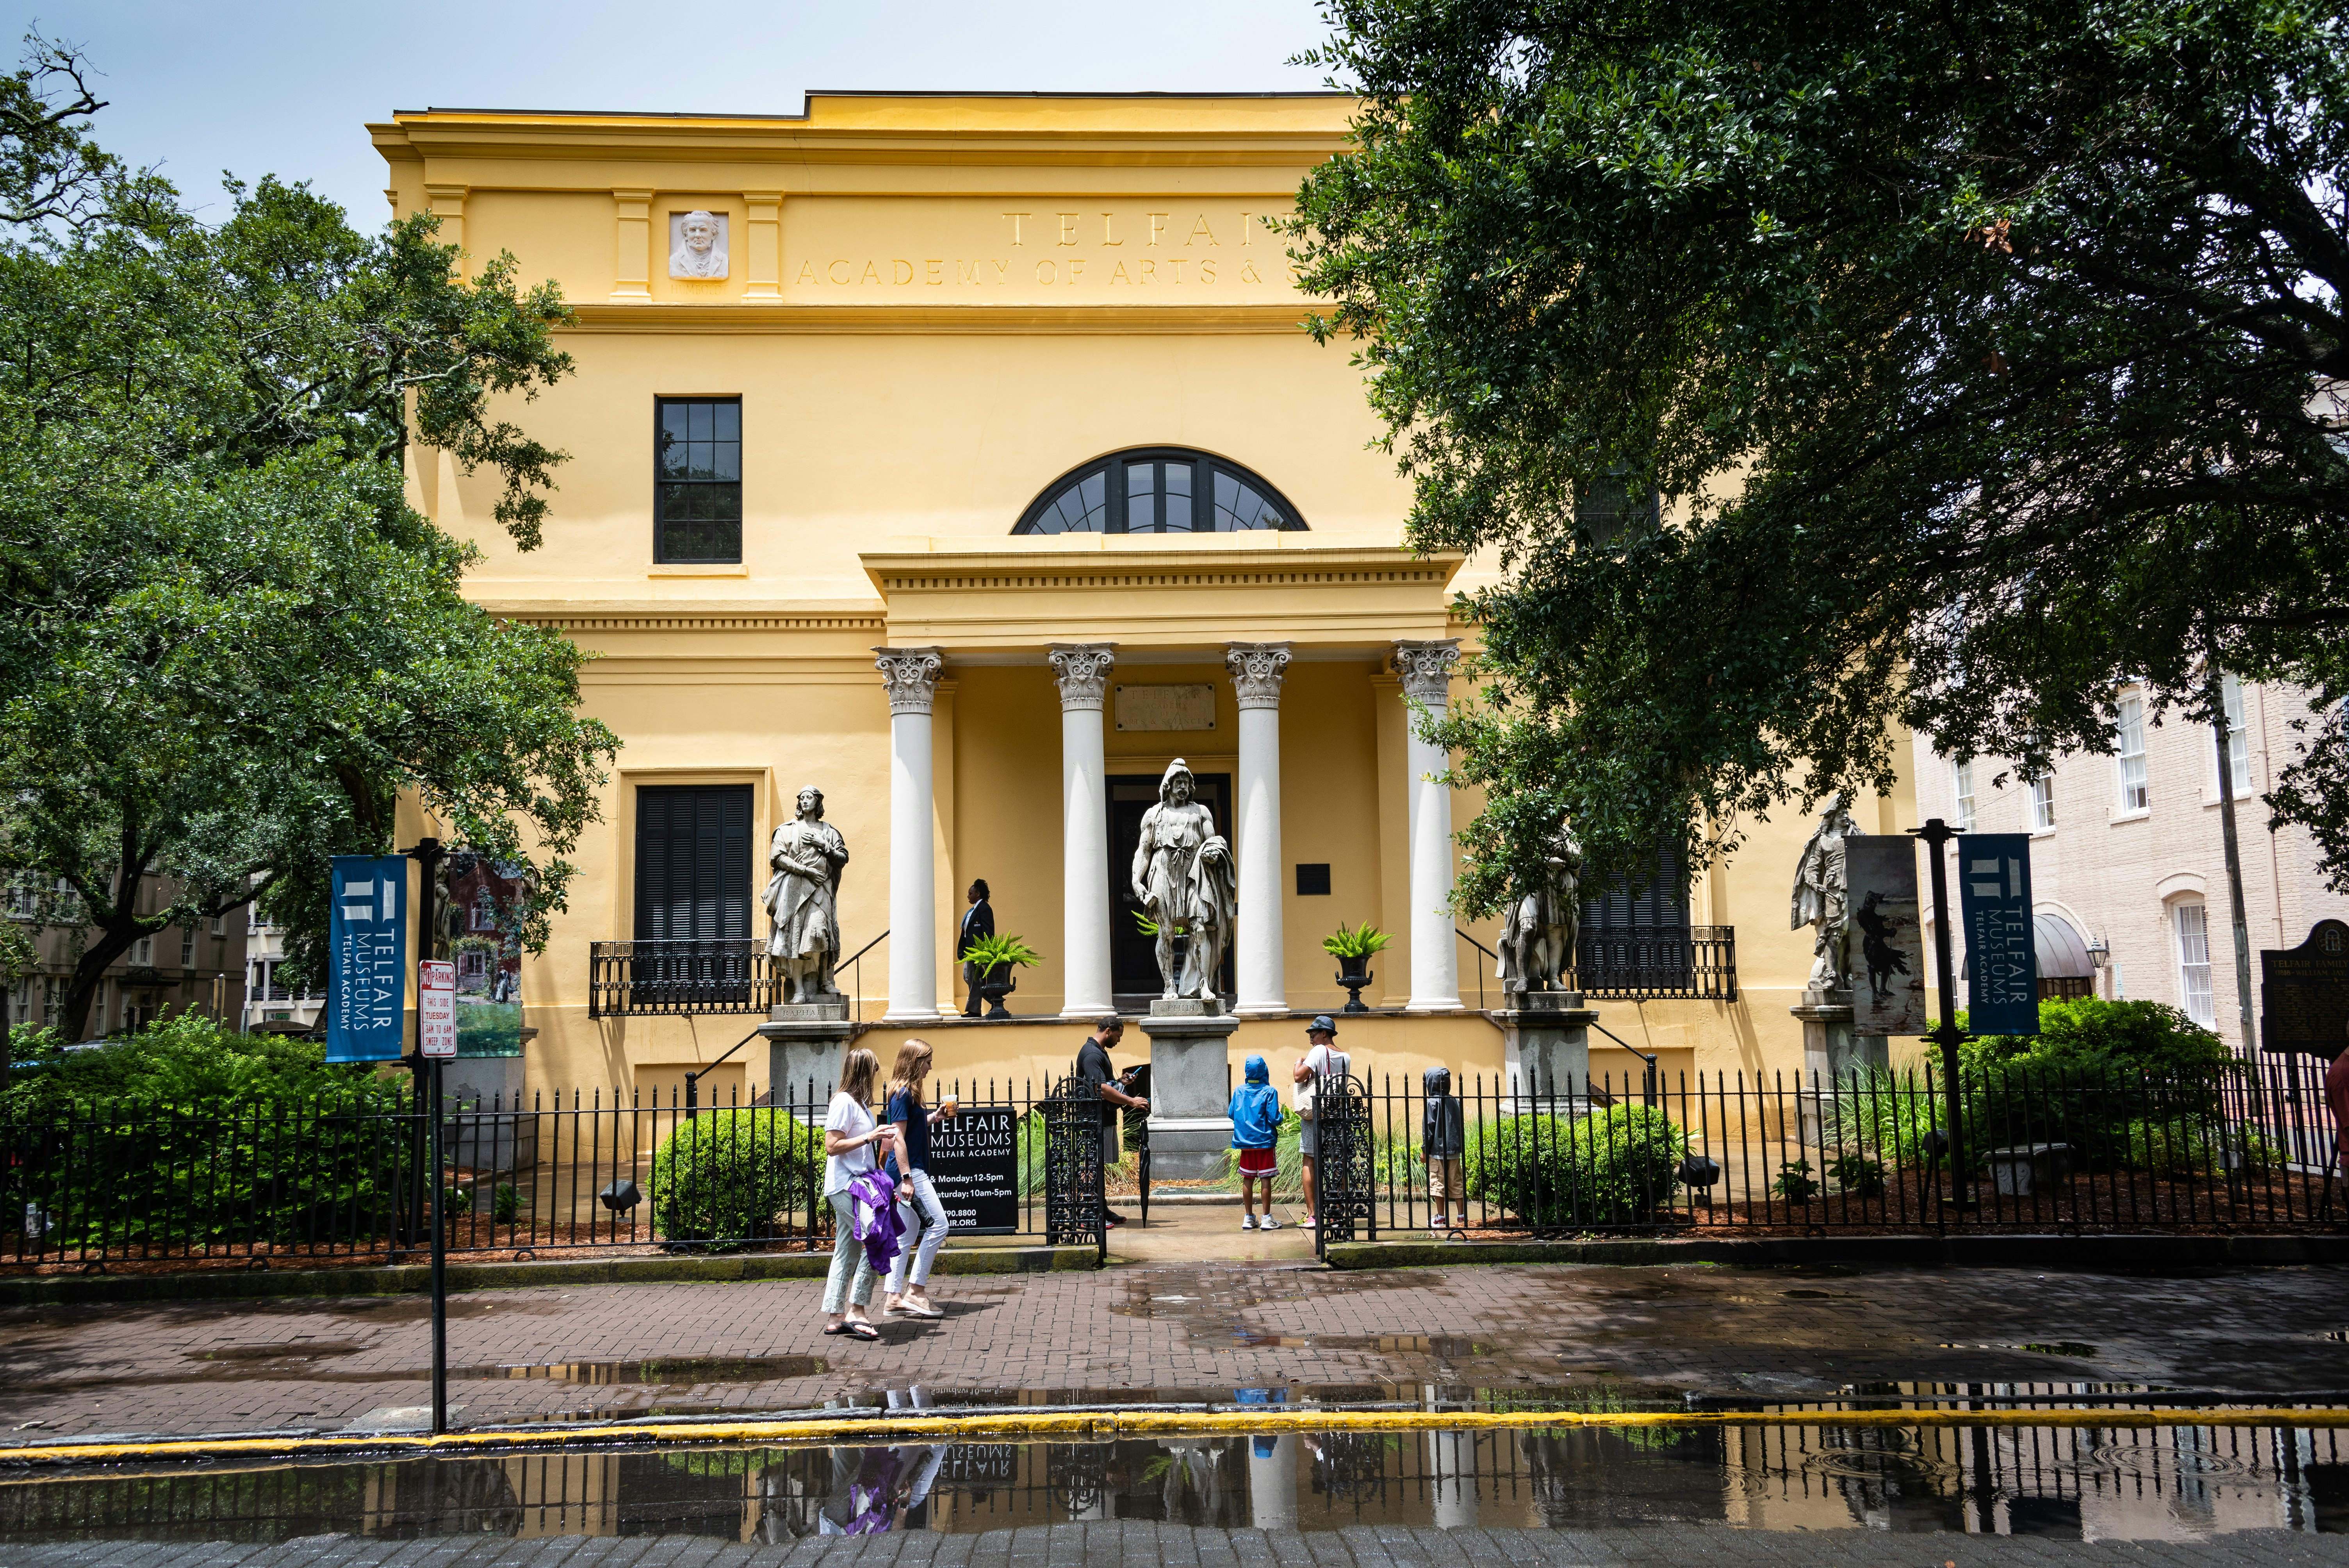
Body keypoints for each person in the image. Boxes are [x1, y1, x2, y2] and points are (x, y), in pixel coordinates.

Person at [820, 1046, 895, 1341]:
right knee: (877, 1241)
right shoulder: (843, 1102)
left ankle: (835, 1316)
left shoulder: (860, 1104)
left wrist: (880, 1143)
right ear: (865, 1072)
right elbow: (831, 1145)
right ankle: (857, 1310)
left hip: (855, 1184)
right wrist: (869, 1136)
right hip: (846, 1187)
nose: (877, 1075)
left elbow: (859, 1149)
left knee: (847, 1249)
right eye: (874, 1070)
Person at [882, 1039, 954, 1319]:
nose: (930, 1067)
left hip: (907, 1172)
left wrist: (932, 1118)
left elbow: (908, 1126)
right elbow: (897, 1136)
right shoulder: (901, 1093)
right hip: (910, 1172)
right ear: (915, 1062)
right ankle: (916, 1290)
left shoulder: (909, 1094)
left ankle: (893, 1298)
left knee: (906, 1235)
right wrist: (907, 1178)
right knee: (939, 1225)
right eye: (927, 1062)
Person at [1076, 1013, 1148, 1226]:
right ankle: (1088, 1214)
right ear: (1108, 1031)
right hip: (1092, 1120)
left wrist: (1121, 1081)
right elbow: (1100, 1089)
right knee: (1091, 1166)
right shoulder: (1091, 1055)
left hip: (1103, 1119)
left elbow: (1104, 1083)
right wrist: (1130, 1101)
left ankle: (1101, 1209)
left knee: (1099, 1165)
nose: (1119, 1040)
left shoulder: (1099, 1052)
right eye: (1118, 1036)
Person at [1292, 1015, 1348, 1230]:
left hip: (1316, 1114)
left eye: (1313, 1034)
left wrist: (1298, 1062)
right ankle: (1337, 1214)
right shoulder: (1346, 1056)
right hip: (1337, 1115)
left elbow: (1299, 1077)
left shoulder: (1317, 1052)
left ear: (1325, 1034)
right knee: (1338, 1161)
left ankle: (1314, 1215)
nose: (1311, 1039)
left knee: (1310, 1160)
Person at [1228, 1054, 1283, 1231]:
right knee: (1266, 1177)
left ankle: (1248, 1217)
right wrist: (1280, 1117)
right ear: (1264, 1071)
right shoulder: (1270, 1092)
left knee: (1248, 1178)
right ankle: (1267, 1218)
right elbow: (1275, 1118)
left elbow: (1231, 1114)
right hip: (1265, 1142)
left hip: (1246, 1143)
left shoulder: (1238, 1091)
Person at [1422, 1064, 1468, 1237]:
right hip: (1454, 1150)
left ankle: (1441, 1217)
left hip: (1436, 1150)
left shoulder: (1432, 1102)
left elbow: (1429, 1128)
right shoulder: (1453, 1101)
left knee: (1437, 1183)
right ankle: (1462, 1216)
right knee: (1456, 1180)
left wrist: (1425, 1150)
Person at [959, 880, 994, 1017]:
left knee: (974, 979)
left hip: (978, 952)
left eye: (970, 893)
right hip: (969, 952)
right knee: (969, 977)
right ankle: (995, 1000)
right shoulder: (973, 910)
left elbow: (989, 932)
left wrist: (985, 951)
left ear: (978, 894)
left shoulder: (984, 909)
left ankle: (974, 1010)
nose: (968, 896)